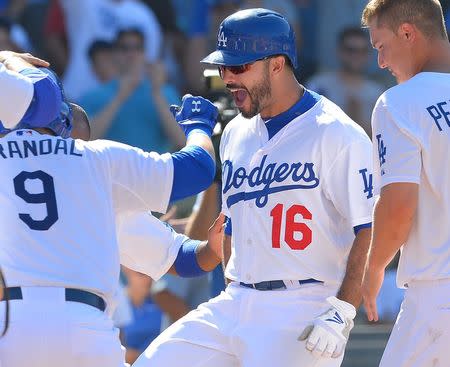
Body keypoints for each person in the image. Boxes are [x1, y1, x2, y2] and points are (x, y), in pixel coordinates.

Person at [133, 8, 374, 367]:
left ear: (277, 64)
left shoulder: (336, 132)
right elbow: (228, 225)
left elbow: (368, 227)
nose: (227, 77)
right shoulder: (235, 133)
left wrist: (342, 309)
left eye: (239, 67)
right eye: (223, 67)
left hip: (302, 304)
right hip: (236, 300)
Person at [0, 57, 220, 365]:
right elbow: (197, 171)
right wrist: (199, 126)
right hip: (85, 327)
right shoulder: (96, 162)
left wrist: (6, 59)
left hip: (12, 324)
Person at [361, 1, 450, 366]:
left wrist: (373, 267)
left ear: (408, 33)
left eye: (381, 46)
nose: (381, 62)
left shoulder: (397, 103)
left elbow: (398, 207)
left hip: (438, 294)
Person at [307, 26, 384, 137]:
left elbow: (381, 140)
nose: (356, 55)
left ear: (368, 54)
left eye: (362, 50)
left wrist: (357, 118)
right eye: (351, 50)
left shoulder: (378, 93)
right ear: (339, 51)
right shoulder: (319, 85)